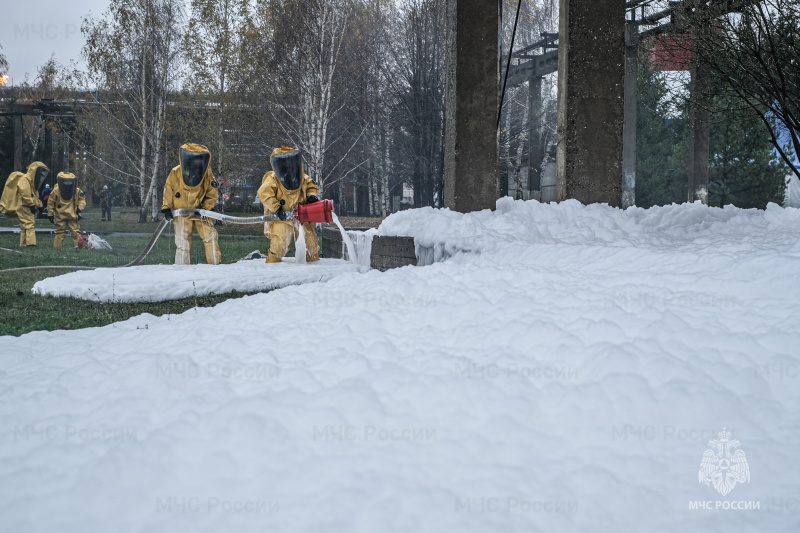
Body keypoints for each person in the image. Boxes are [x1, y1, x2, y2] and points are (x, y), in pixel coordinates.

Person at [257, 146, 320, 263]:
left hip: (302, 217)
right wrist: (277, 209)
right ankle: (272, 266)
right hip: (282, 217)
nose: (288, 164)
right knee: (279, 242)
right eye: (284, 162)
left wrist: (312, 197)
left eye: (290, 161)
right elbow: (265, 194)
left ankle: (314, 265)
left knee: (310, 242)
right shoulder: (272, 179)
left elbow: (312, 187)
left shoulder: (303, 178)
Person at [160, 143, 221, 265]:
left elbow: (212, 194)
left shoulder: (207, 175)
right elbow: (168, 189)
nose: (196, 164)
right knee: (182, 243)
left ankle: (215, 266)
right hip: (181, 212)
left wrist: (205, 208)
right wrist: (166, 207)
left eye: (199, 161)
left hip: (201, 212)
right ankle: (182, 271)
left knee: (210, 238)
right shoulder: (176, 172)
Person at [0, 161, 48, 247]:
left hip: (26, 205)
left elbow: (34, 196)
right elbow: (25, 193)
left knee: (24, 226)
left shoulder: (30, 182)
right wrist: (31, 204)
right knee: (29, 224)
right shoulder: (25, 179)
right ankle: (30, 243)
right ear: (35, 171)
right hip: (24, 205)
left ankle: (23, 244)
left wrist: (39, 205)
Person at [48, 172, 87, 248]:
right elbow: (51, 203)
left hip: (64, 215)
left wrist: (79, 208)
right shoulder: (56, 191)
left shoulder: (77, 191)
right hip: (69, 215)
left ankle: (77, 247)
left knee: (71, 232)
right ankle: (76, 247)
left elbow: (81, 200)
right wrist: (50, 214)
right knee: (71, 232)